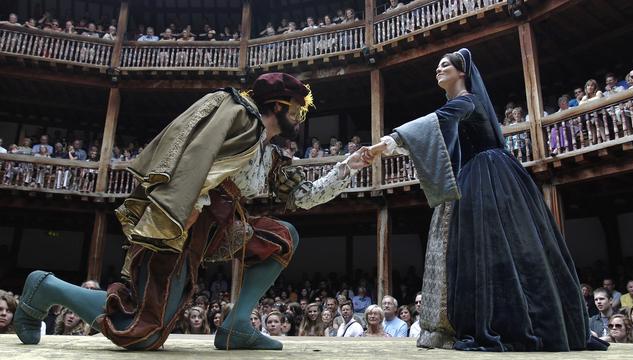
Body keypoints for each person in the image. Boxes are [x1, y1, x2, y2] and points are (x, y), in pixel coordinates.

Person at [14, 73, 370, 351]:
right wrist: (191, 206)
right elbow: (196, 156)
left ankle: (237, 326)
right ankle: (45, 288)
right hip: (182, 222)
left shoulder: (270, 154)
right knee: (142, 334)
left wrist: (348, 167)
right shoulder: (238, 117)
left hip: (220, 228)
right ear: (278, 106)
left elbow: (303, 197)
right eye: (296, 107)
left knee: (282, 235)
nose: (300, 115)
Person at [364, 48, 607, 351]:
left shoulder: (467, 101)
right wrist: (393, 147)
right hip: (474, 174)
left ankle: (499, 321)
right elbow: (438, 138)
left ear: (461, 72)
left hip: (486, 177)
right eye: (438, 66)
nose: (438, 70)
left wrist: (383, 144)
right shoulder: (458, 105)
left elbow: (433, 124)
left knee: (484, 248)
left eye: (445, 66)